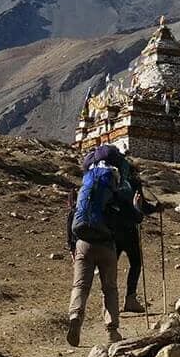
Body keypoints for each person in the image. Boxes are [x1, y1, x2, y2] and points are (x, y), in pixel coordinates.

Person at [66, 144, 139, 346]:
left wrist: (71, 246)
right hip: (107, 244)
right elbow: (134, 217)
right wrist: (136, 207)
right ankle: (112, 330)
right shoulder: (117, 188)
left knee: (80, 286)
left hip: (83, 243)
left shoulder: (86, 184)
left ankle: (75, 316)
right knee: (109, 289)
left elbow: (71, 216)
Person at [91, 151, 157, 313]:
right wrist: (156, 208)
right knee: (135, 263)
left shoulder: (112, 180)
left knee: (110, 265)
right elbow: (142, 206)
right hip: (129, 229)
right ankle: (130, 299)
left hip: (112, 229)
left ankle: (108, 304)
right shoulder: (133, 182)